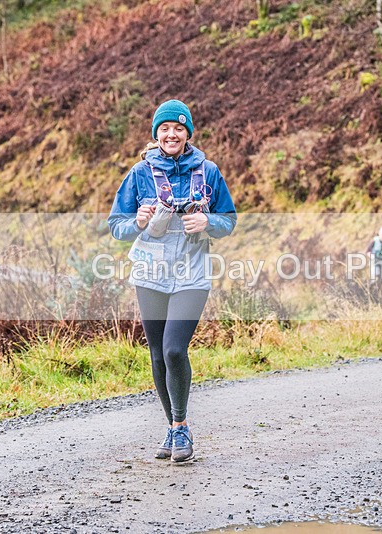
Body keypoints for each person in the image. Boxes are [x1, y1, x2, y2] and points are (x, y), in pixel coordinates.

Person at [108, 99, 236, 462]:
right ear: (156, 134)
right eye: (165, 128)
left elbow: (229, 218)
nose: (171, 133)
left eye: (179, 128)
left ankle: (180, 426)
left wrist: (208, 222)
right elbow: (116, 225)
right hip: (150, 274)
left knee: (174, 349)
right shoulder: (139, 174)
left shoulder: (208, 171)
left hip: (192, 274)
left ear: (188, 133)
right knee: (156, 353)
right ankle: (174, 429)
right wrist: (138, 222)